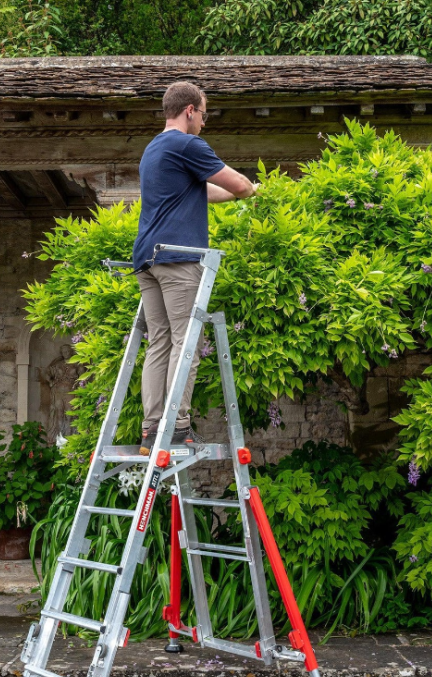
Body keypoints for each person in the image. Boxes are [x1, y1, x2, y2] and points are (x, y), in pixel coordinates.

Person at [133, 81, 257, 456]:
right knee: (185, 343)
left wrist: (236, 191)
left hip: (147, 258)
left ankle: (151, 429)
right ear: (189, 110)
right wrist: (252, 189)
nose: (205, 122)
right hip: (177, 259)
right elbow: (236, 183)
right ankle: (177, 428)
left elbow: (208, 191)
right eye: (204, 114)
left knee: (159, 342)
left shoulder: (153, 149)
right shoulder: (188, 144)